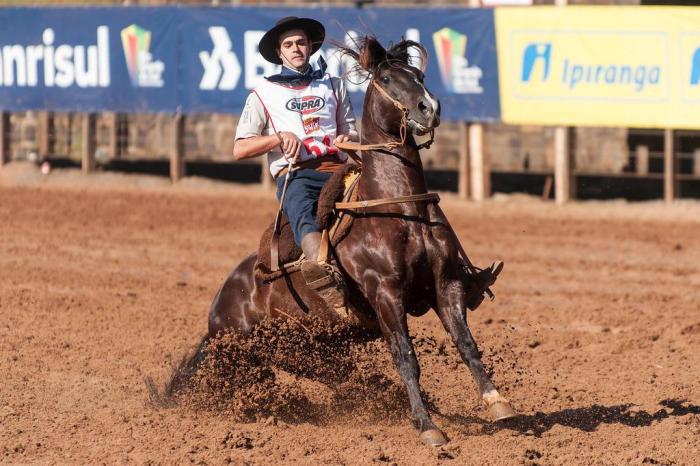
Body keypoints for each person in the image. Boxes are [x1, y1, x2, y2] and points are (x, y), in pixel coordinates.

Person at [233, 16, 357, 312]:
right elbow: (239, 148)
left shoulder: (333, 84)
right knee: (302, 211)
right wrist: (277, 138)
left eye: (301, 42)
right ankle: (324, 277)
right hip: (299, 175)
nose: (296, 48)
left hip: (342, 170)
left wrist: (347, 138)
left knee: (386, 197)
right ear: (280, 53)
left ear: (310, 46)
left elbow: (351, 130)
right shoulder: (263, 93)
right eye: (288, 44)